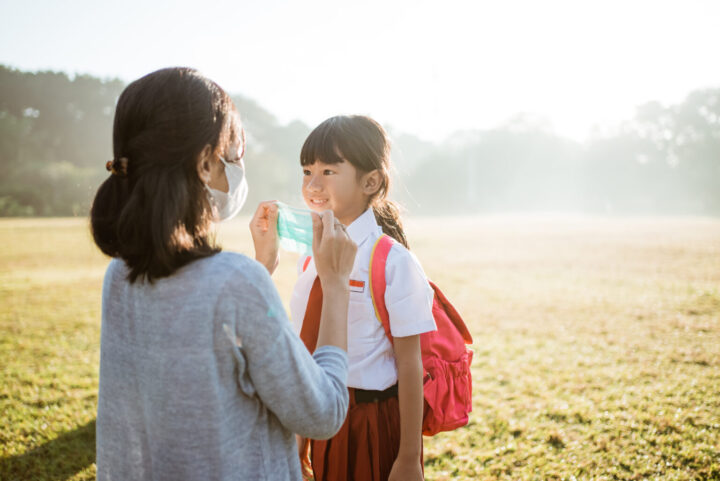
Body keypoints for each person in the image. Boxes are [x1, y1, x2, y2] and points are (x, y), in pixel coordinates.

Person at [90, 67, 357, 481]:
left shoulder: (119, 275)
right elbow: (322, 413)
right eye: (233, 154)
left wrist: (260, 269)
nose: (238, 166)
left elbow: (206, 344)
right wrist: (336, 286)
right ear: (203, 163)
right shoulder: (235, 283)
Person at [254, 115, 436, 481]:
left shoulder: (393, 261)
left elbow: (410, 365)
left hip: (369, 422)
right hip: (320, 415)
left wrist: (408, 458)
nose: (313, 185)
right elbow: (303, 344)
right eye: (307, 171)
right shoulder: (310, 256)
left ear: (371, 181)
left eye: (328, 172)